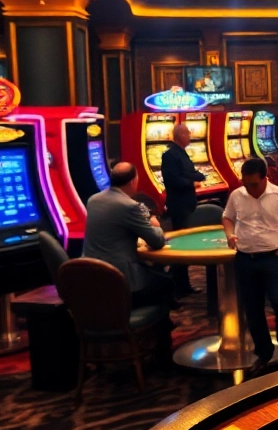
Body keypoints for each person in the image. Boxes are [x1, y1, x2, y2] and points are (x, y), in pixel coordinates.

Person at [222, 157, 278, 372]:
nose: (250, 188)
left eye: (254, 184)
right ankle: (264, 352)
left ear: (266, 178)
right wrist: (230, 235)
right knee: (253, 310)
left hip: (272, 259)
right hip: (245, 259)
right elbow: (227, 217)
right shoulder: (237, 195)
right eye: (246, 184)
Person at [83, 162, 172, 310]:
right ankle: (155, 329)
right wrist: (155, 225)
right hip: (119, 278)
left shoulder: (93, 200)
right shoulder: (129, 205)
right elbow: (157, 241)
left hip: (92, 275)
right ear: (133, 181)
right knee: (166, 283)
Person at [161, 122, 205, 294]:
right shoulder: (170, 155)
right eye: (187, 133)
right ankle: (176, 286)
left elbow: (192, 173)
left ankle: (182, 285)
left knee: (184, 245)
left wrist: (195, 177)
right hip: (179, 205)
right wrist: (192, 182)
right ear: (179, 136)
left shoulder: (181, 153)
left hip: (187, 203)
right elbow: (173, 180)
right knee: (180, 246)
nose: (190, 135)